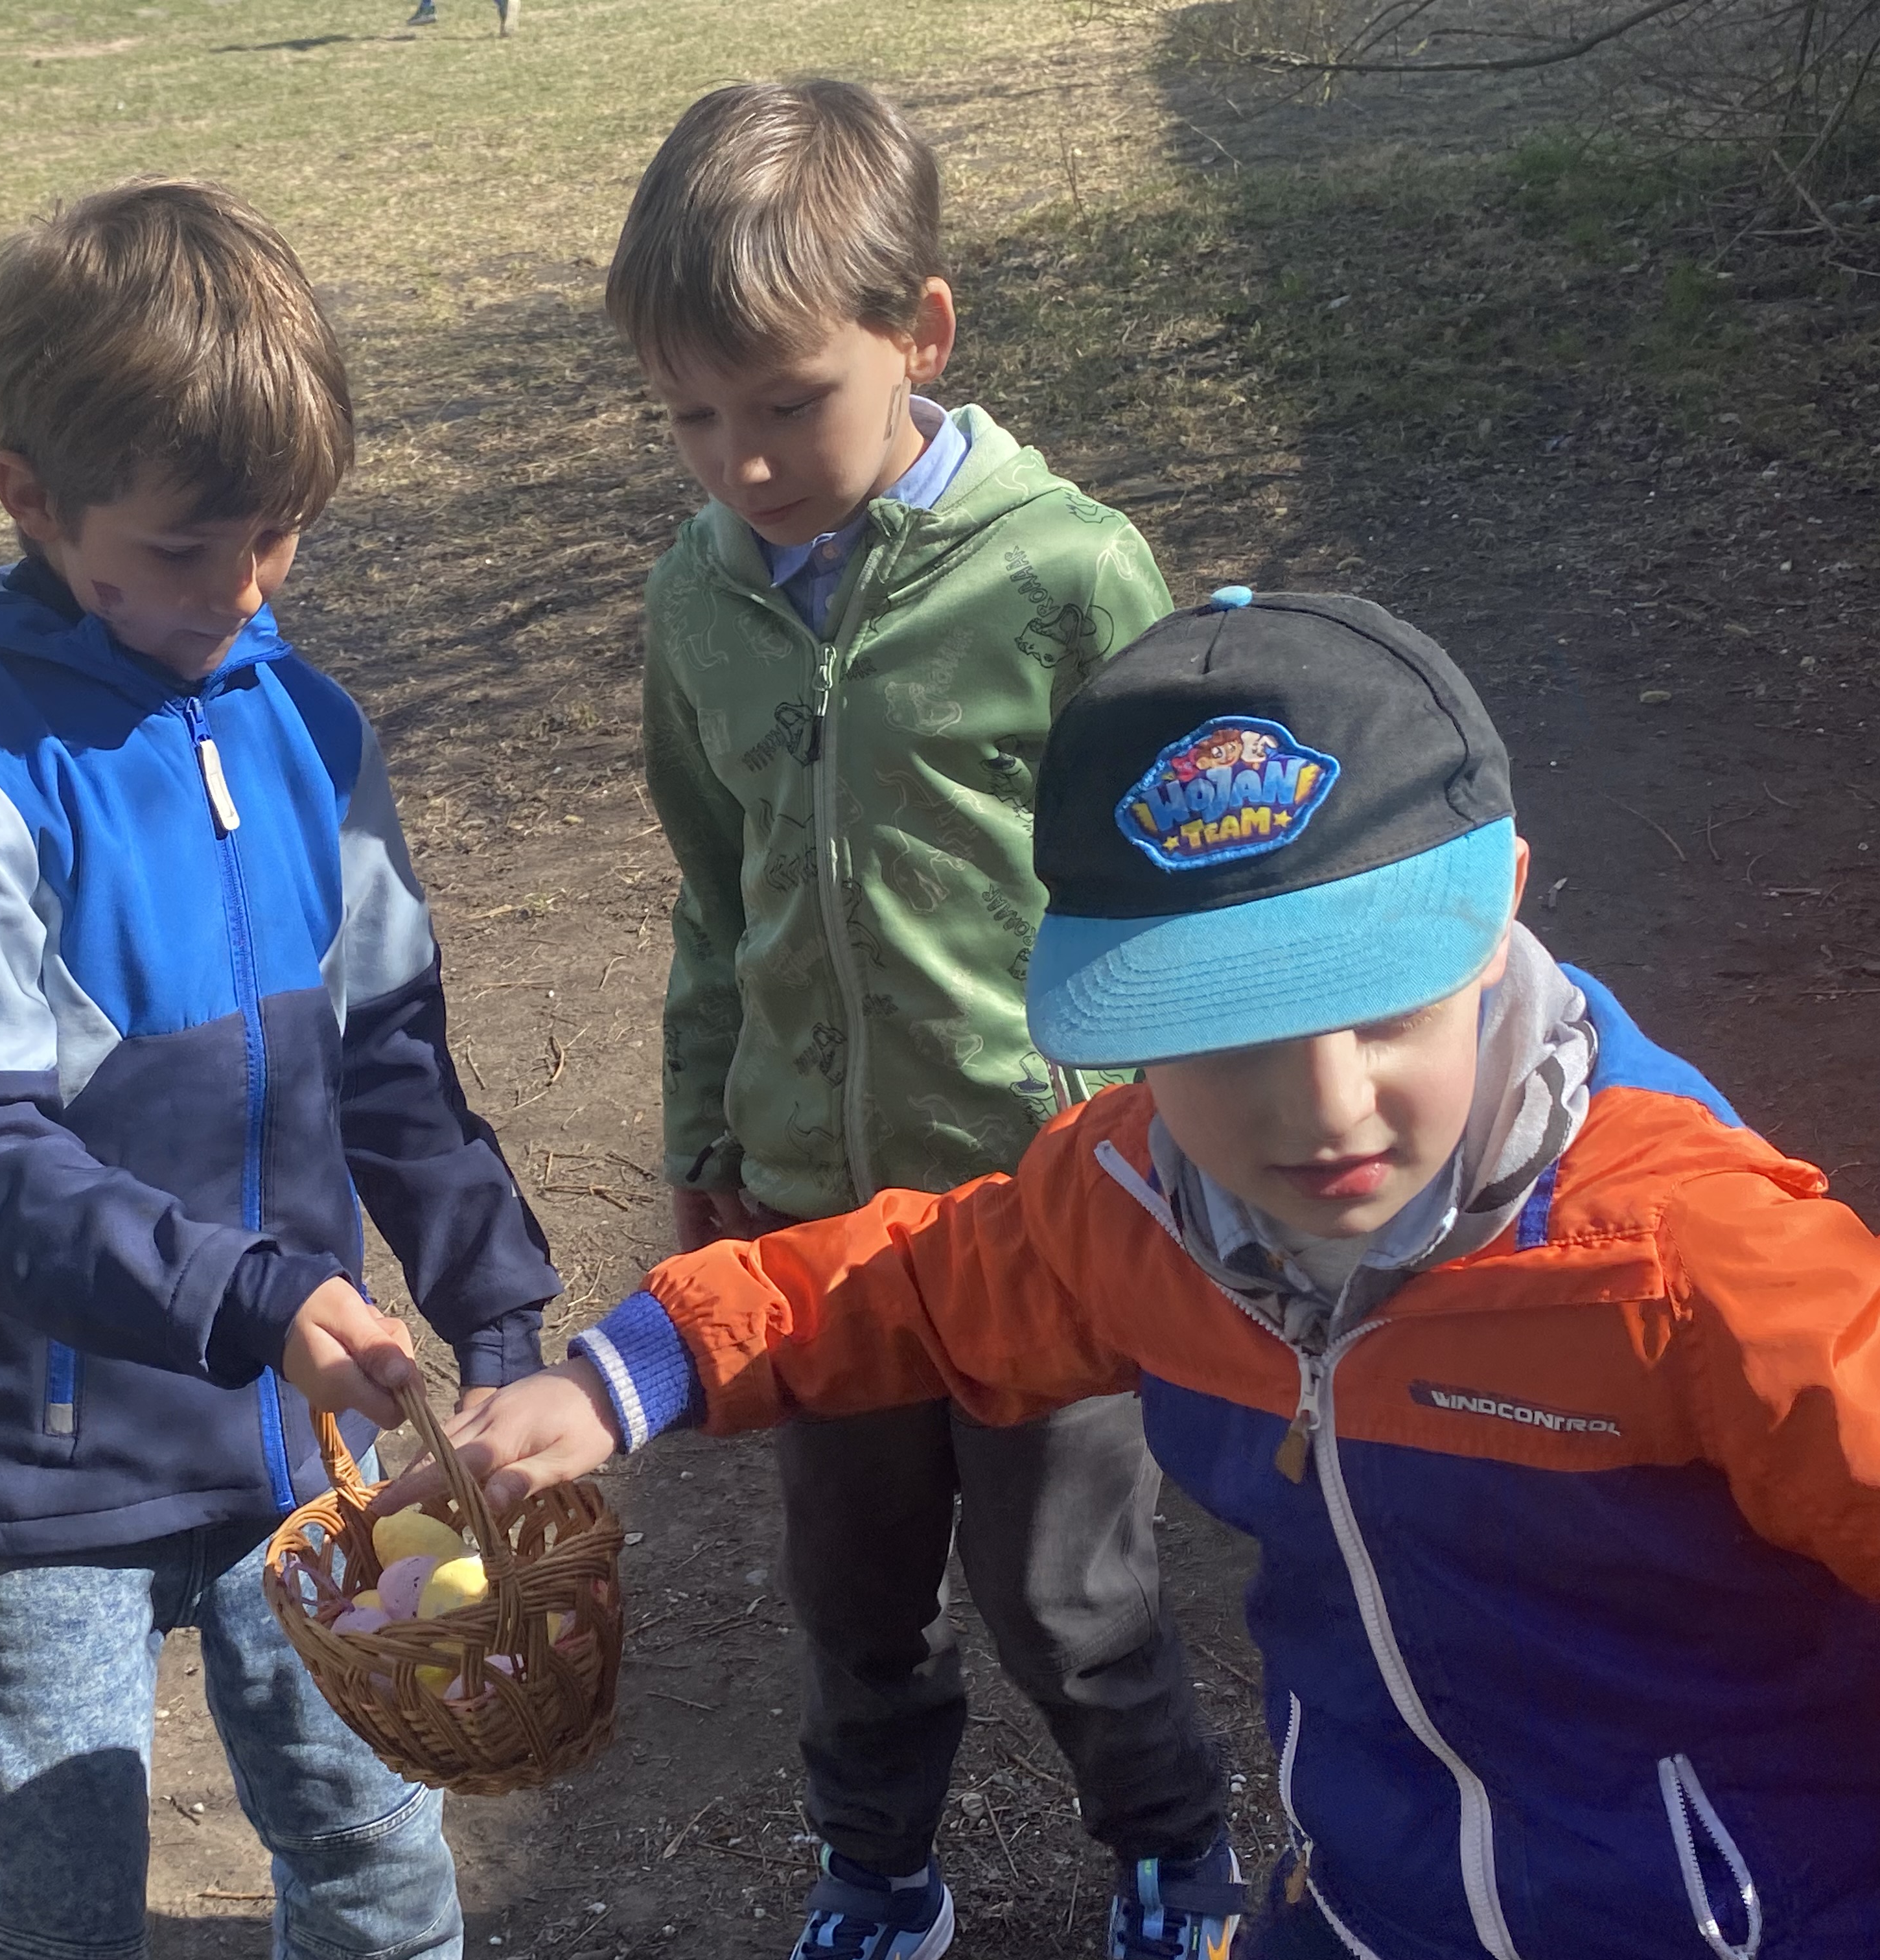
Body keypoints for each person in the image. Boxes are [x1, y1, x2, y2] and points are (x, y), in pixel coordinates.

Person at [388, 590, 1880, 1957]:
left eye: (1379, 1011)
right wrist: (629, 1375)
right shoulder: (1148, 1206)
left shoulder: (1687, 1268)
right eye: (1227, 1041)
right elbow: (924, 1279)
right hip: (1369, 1904)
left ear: (1500, 913)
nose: (1324, 1110)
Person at [0, 178, 560, 1960]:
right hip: (49, 1475)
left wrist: (498, 1316)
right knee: (60, 1909)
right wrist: (249, 1294)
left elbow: (396, 1067)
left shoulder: (312, 731)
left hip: (305, 1450)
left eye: (279, 537)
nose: (241, 593)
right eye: (183, 550)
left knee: (378, 1859)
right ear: (32, 497)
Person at [603, 78, 1229, 1960]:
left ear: (921, 333)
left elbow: (1171, 881)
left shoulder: (1067, 574)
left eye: (788, 403)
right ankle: (877, 1869)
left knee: (1068, 1593)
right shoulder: (696, 601)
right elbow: (715, 887)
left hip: (1044, 1205)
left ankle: (1172, 1850)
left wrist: (1176, 1142)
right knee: (854, 1595)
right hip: (816, 1213)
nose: (744, 465)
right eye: (693, 418)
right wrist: (708, 1126)